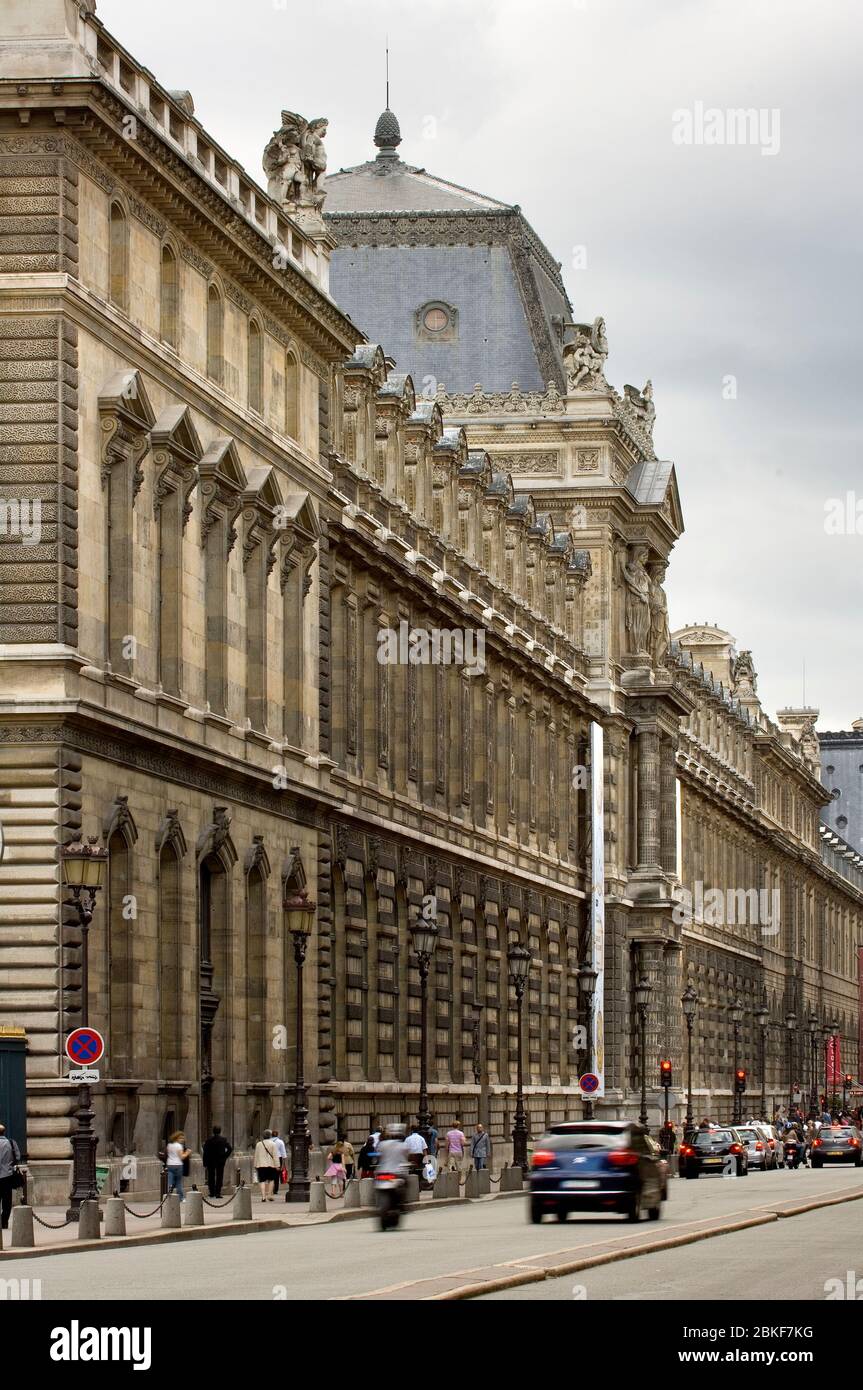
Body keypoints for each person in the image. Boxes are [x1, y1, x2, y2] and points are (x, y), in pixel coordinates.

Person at [0, 1123, 22, 1230]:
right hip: (7, 1176)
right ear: (4, 1132)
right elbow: (17, 1157)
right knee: (6, 1201)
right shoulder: (11, 1143)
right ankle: (4, 1222)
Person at [202, 1125, 232, 1198]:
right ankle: (218, 1193)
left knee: (211, 1177)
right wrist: (225, 1156)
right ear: (220, 1131)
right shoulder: (223, 1140)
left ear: (213, 1131)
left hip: (210, 1161)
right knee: (219, 1176)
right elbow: (230, 1149)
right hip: (220, 1161)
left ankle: (212, 1192)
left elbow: (205, 1152)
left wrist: (205, 1162)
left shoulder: (209, 1140)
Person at [253, 1129, 280, 1202]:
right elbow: (275, 1156)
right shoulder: (273, 1144)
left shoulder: (258, 1144)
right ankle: (269, 1195)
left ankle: (263, 1196)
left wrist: (255, 1164)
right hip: (271, 1164)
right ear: (270, 1136)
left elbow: (256, 1155)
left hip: (261, 1165)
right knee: (271, 1180)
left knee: (262, 1180)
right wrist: (277, 1165)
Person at [165, 1130, 190, 1202]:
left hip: (170, 1164)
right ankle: (181, 1198)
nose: (182, 1140)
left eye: (182, 1138)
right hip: (178, 1165)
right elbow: (182, 1157)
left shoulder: (169, 1145)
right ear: (176, 1138)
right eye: (180, 1138)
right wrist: (187, 1152)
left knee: (170, 1181)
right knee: (179, 1182)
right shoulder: (179, 1146)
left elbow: (168, 1154)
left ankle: (169, 1196)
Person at [271, 1129, 287, 1196]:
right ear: (277, 1135)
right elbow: (283, 1153)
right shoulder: (280, 1142)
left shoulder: (268, 1141)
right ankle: (275, 1190)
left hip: (270, 1158)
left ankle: (270, 1189)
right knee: (277, 1175)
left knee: (270, 1173)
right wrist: (284, 1162)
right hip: (278, 1158)